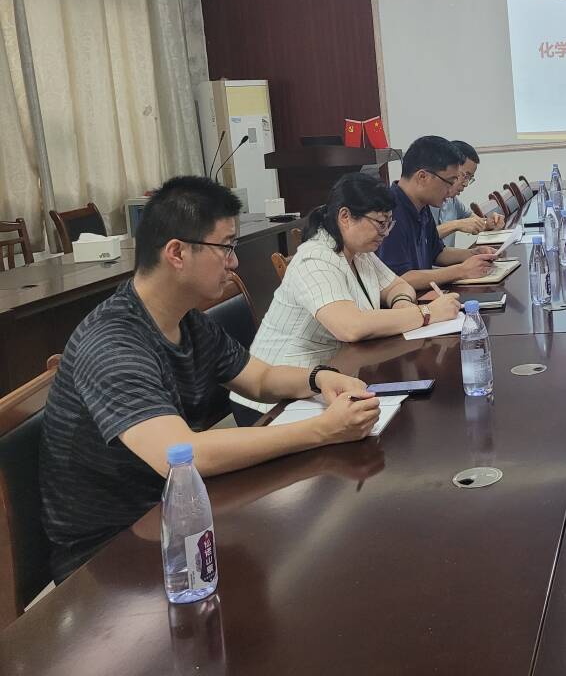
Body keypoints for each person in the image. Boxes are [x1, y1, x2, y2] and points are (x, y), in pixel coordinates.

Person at [40, 176, 384, 582]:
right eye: (226, 247)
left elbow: (260, 378)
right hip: (111, 554)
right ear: (177, 253)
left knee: (323, 544)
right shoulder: (113, 342)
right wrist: (323, 431)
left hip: (180, 512)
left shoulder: (186, 320)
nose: (234, 262)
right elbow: (182, 455)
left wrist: (319, 377)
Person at [235, 171, 461, 417]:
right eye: (380, 223)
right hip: (278, 398)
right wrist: (426, 313)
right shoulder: (315, 259)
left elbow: (399, 285)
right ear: (345, 217)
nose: (386, 233)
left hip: (330, 379)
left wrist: (402, 304)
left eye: (389, 224)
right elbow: (351, 327)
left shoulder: (359, 253)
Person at [377, 135, 501, 289]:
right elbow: (399, 279)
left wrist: (474, 254)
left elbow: (437, 253)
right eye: (449, 182)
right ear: (423, 177)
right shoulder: (390, 211)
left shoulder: (422, 205)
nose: (450, 190)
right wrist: (461, 271)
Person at [432, 140, 504, 247]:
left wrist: (489, 223)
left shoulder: (452, 200)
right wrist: (456, 225)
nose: (466, 184)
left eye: (470, 178)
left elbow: (474, 220)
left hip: (450, 257)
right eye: (465, 176)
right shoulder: (424, 200)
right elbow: (420, 239)